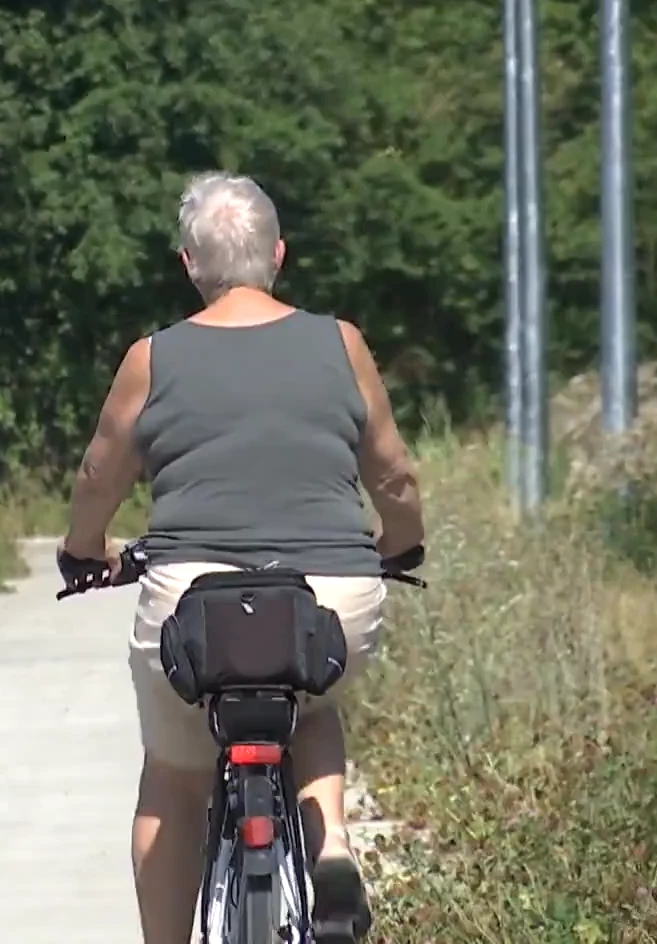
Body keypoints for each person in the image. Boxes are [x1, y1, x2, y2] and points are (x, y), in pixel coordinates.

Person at [56, 171, 425, 944]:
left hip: (194, 603)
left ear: (190, 264)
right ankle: (332, 845)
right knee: (312, 701)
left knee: (175, 774)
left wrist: (83, 552)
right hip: (331, 593)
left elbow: (99, 474)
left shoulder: (151, 357)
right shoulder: (342, 342)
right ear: (279, 255)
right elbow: (391, 472)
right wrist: (400, 544)